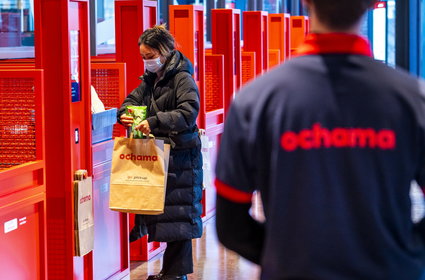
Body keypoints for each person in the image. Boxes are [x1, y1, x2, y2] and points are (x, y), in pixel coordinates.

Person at [215, 0, 425, 279]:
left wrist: (285, 257)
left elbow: (231, 226)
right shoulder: (413, 100)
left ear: (305, 1)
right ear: (375, 4)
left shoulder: (255, 101)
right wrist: (402, 255)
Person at [118, 24, 203, 280]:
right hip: (160, 156)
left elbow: (188, 113)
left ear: (163, 52)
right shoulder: (151, 80)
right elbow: (130, 101)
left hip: (180, 158)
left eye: (149, 56)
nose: (147, 62)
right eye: (143, 57)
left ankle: (175, 275)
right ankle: (171, 273)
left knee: (178, 220)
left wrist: (154, 121)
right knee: (167, 218)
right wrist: (128, 114)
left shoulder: (182, 79)